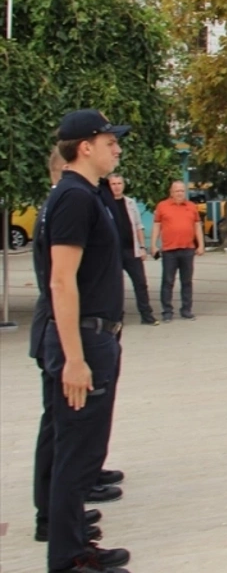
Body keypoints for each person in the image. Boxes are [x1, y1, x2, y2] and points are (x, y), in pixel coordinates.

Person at [35, 110, 133, 573]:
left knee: (81, 451)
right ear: (84, 146)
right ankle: (68, 558)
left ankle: (75, 543)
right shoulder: (73, 198)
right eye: (108, 140)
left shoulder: (83, 195)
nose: (116, 147)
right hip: (85, 341)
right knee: (78, 454)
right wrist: (75, 358)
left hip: (95, 338)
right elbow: (61, 281)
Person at [150, 181, 203, 323]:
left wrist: (201, 245)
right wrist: (153, 244)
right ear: (171, 192)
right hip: (169, 250)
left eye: (182, 191)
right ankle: (167, 311)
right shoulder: (162, 206)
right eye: (177, 191)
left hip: (188, 249)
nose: (180, 193)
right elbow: (157, 226)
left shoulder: (191, 207)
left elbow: (197, 225)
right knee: (167, 281)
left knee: (187, 281)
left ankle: (186, 310)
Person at [107, 175, 156, 326]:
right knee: (115, 287)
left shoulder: (130, 203)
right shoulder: (105, 204)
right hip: (113, 253)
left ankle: (146, 316)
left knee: (141, 283)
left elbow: (138, 226)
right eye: (113, 184)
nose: (116, 186)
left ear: (123, 185)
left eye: (119, 183)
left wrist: (142, 248)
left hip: (131, 250)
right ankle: (116, 318)